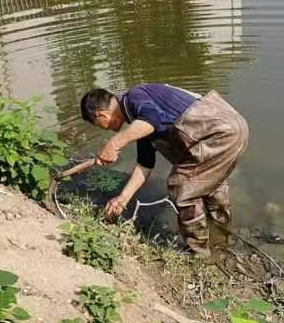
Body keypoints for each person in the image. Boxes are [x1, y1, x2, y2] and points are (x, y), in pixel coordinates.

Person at [79, 84, 249, 257]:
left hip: (218, 132)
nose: (104, 129)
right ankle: (221, 238)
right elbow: (145, 165)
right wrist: (122, 199)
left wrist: (114, 144)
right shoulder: (140, 121)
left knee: (181, 186)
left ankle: (200, 254)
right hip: (232, 128)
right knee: (210, 187)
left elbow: (151, 120)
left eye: (99, 125)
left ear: (100, 115)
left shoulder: (134, 97)